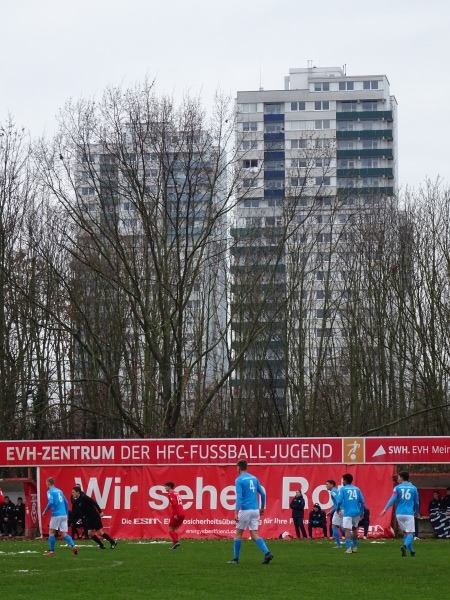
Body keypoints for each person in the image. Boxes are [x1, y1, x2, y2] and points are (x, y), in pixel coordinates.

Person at [228, 460, 273, 565]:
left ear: (239, 468)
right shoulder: (254, 478)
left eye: (236, 467)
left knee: (238, 533)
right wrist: (262, 508)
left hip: (245, 510)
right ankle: (267, 553)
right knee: (254, 534)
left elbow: (239, 497)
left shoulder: (239, 480)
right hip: (255, 510)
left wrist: (236, 511)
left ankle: (235, 559)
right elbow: (262, 493)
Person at [380, 470, 419, 558]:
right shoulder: (413, 488)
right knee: (411, 533)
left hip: (399, 513)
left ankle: (412, 552)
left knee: (406, 533)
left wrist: (385, 509)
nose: (397, 479)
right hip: (409, 513)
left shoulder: (397, 488)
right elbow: (416, 502)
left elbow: (392, 499)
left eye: (398, 477)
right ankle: (404, 546)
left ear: (402, 478)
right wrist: (416, 511)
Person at [42, 477, 78, 556]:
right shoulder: (59, 491)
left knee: (51, 532)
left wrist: (45, 510)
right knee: (64, 534)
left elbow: (51, 502)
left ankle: (51, 551)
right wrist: (67, 514)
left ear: (48, 483)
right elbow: (66, 503)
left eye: (46, 483)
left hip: (56, 514)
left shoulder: (50, 491)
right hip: (64, 514)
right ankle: (73, 545)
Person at [336, 473, 365, 554]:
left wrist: (338, 509)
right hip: (356, 512)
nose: (342, 482)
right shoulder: (357, 489)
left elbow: (339, 501)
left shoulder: (343, 489)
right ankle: (355, 547)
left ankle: (349, 548)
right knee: (355, 529)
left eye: (343, 480)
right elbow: (362, 501)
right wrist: (362, 511)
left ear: (345, 480)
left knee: (347, 530)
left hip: (348, 513)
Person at [164, 481, 185, 550]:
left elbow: (175, 504)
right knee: (174, 529)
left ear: (169, 486)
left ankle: (176, 541)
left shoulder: (171, 493)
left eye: (166, 486)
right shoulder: (177, 493)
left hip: (177, 513)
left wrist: (175, 514)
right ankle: (174, 544)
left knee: (170, 529)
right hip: (182, 513)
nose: (165, 488)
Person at [326, 479, 343, 547]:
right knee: (342, 528)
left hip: (340, 510)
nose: (326, 486)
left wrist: (338, 510)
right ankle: (354, 539)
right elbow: (336, 503)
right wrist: (331, 511)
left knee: (334, 526)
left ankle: (339, 545)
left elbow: (338, 500)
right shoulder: (336, 490)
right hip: (342, 509)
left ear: (332, 485)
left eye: (327, 484)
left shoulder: (333, 491)